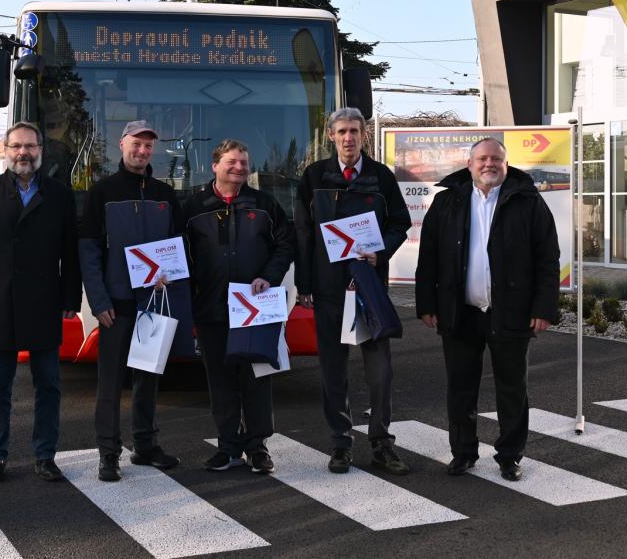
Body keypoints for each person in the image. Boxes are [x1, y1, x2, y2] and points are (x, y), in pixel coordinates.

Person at [415, 138, 560, 482]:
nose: (488, 164)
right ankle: (463, 452)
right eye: (482, 159)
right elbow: (429, 258)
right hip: (459, 312)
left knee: (512, 388)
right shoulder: (447, 202)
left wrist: (543, 308)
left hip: (510, 311)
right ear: (469, 164)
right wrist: (427, 304)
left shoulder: (528, 202)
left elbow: (547, 259)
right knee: (460, 387)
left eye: (496, 159)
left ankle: (510, 456)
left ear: (506, 165)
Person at [0, 122, 81, 483]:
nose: (23, 153)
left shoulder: (60, 194)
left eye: (30, 146)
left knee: (49, 385)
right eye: (16, 146)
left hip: (45, 300)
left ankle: (45, 455)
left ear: (40, 150)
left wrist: (70, 298)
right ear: (5, 149)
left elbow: (70, 253)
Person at [294, 107, 412, 475]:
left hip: (368, 287)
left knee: (380, 371)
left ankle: (380, 442)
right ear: (331, 136)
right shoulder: (314, 177)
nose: (348, 138)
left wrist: (381, 252)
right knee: (333, 369)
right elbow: (304, 233)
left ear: (364, 135)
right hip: (329, 289)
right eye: (342, 131)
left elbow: (401, 223)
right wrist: (304, 284)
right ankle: (340, 442)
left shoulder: (381, 177)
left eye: (355, 131)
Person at [78, 120, 185, 482]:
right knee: (110, 384)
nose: (142, 151)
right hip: (116, 307)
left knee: (148, 379)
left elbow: (177, 244)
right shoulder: (102, 192)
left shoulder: (164, 194)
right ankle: (108, 453)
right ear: (121, 145)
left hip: (152, 303)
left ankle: (145, 446)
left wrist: (171, 272)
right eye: (136, 144)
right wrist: (98, 300)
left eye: (148, 146)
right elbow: (89, 251)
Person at [184, 139, 294, 474]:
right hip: (212, 309)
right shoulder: (193, 207)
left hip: (254, 307)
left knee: (256, 378)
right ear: (214, 166)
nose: (239, 168)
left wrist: (269, 277)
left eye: (244, 163)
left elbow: (286, 244)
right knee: (220, 381)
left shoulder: (264, 204)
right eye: (232, 162)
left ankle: (258, 447)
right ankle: (228, 446)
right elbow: (179, 254)